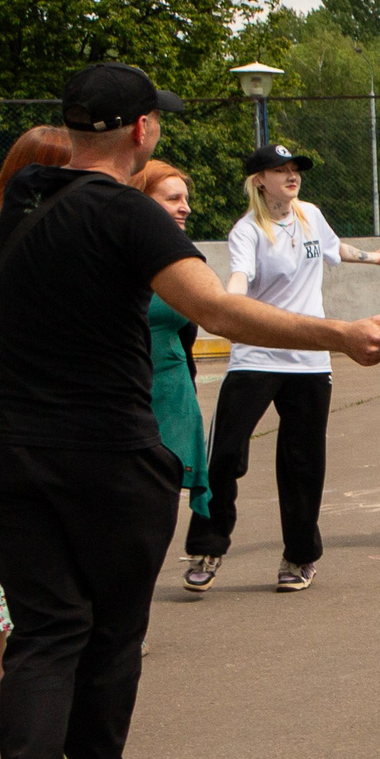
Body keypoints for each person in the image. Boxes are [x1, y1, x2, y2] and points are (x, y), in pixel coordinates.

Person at [0, 63, 380, 759]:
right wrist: (341, 334)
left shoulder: (26, 202)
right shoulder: (129, 215)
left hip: (9, 444)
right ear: (143, 131)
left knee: (47, 626)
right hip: (102, 449)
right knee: (110, 631)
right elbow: (216, 309)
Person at [182, 144, 380, 595]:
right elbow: (239, 276)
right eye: (280, 170)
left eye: (294, 168)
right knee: (223, 455)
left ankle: (299, 557)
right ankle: (208, 545)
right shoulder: (248, 231)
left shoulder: (310, 214)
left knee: (302, 463)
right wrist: (227, 300)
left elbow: (335, 249)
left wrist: (379, 256)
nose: (291, 175)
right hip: (256, 355)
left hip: (309, 359)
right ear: (259, 179)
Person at [0, 125, 73, 734]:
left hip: (28, 410)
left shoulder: (22, 228)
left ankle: (22, 680)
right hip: (2, 414)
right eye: (64, 168)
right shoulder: (16, 232)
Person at [133, 162, 214, 524]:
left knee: (158, 505)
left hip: (173, 391)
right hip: (123, 392)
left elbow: (191, 330)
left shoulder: (186, 258)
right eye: (173, 198)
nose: (186, 207)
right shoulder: (113, 251)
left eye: (186, 198)